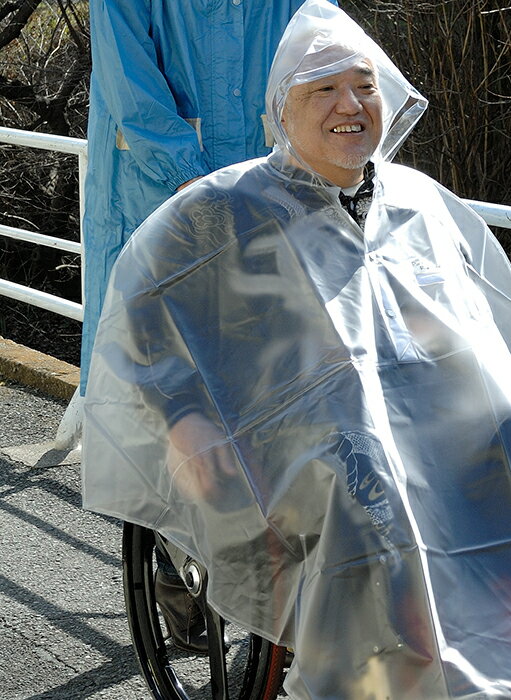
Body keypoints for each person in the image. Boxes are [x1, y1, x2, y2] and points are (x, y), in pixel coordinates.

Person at [82, 1, 511, 697]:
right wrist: (185, 418)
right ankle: (385, 677)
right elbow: (145, 323)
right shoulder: (219, 211)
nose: (350, 105)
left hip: (426, 418)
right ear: (281, 109)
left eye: (365, 87)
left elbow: (479, 318)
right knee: (375, 505)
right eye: (324, 91)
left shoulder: (419, 203)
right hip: (293, 431)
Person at [75, 0, 337, 652]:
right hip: (156, 212)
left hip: (266, 216)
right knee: (170, 400)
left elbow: (330, 59)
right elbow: (135, 102)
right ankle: (171, 552)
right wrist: (206, 192)